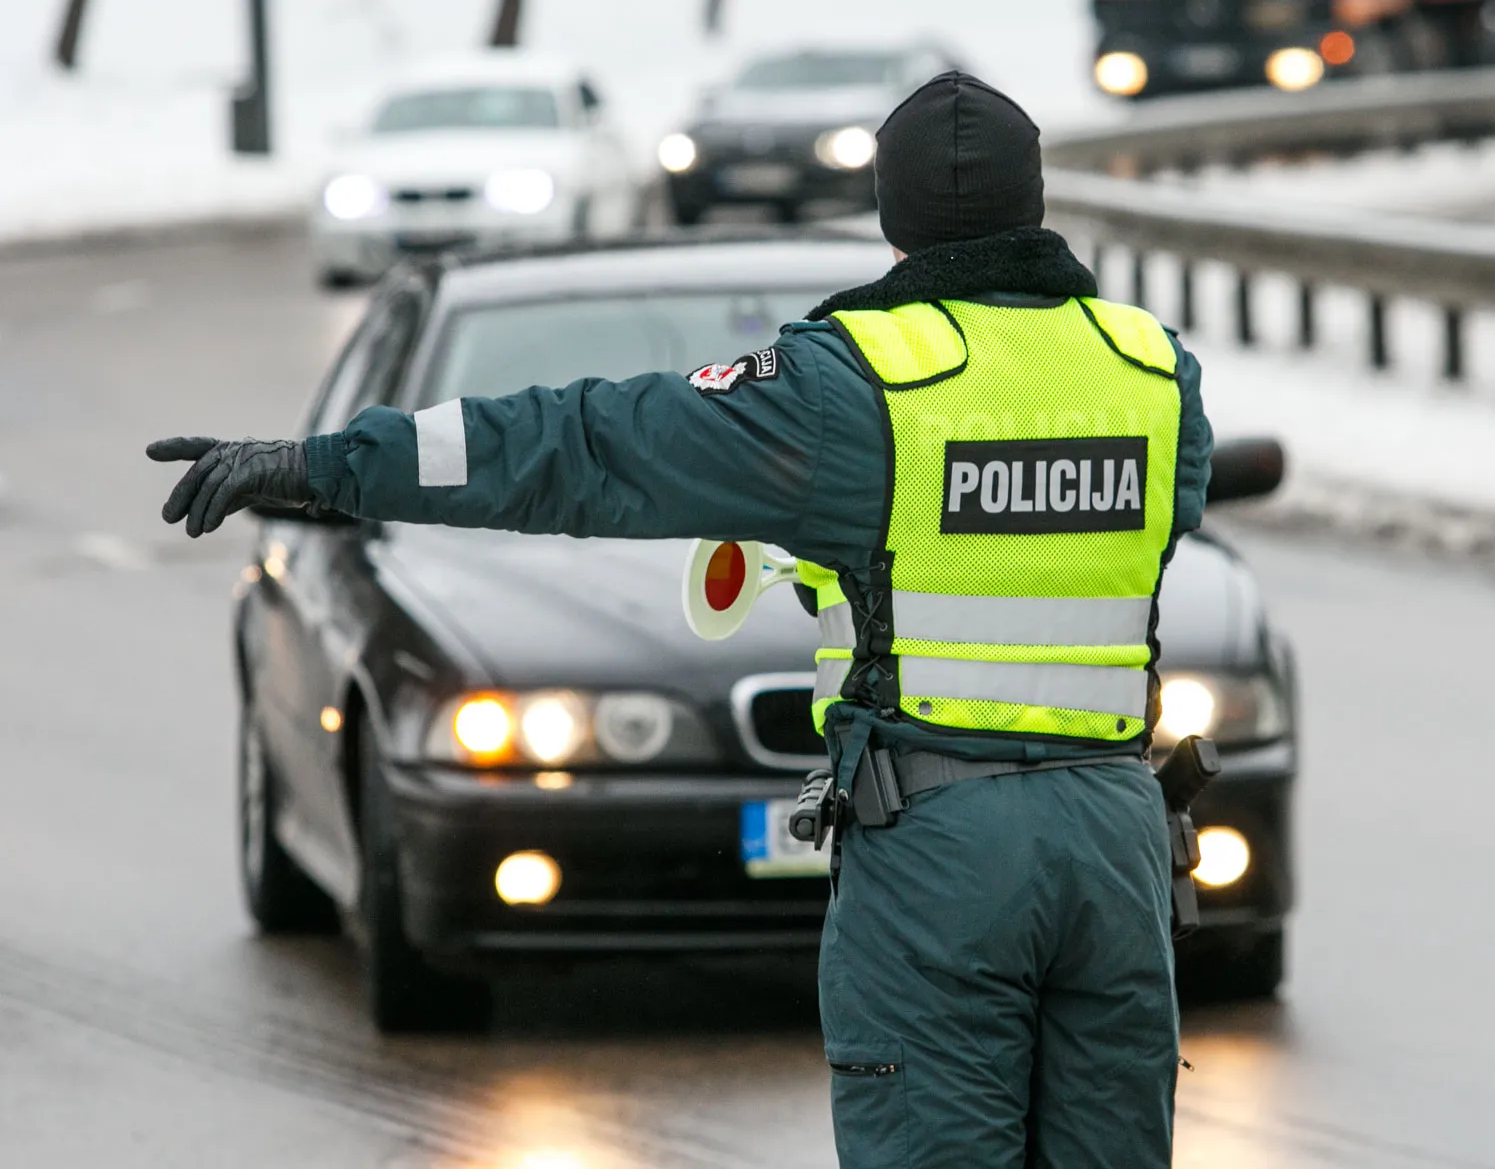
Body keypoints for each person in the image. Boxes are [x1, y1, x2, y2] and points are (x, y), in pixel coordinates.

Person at [150, 71, 1213, 1168]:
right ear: (1033, 202)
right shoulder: (1150, 372)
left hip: (942, 853)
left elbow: (587, 444)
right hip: (1116, 847)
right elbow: (1086, 557)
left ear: (893, 220)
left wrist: (327, 465)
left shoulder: (852, 390)